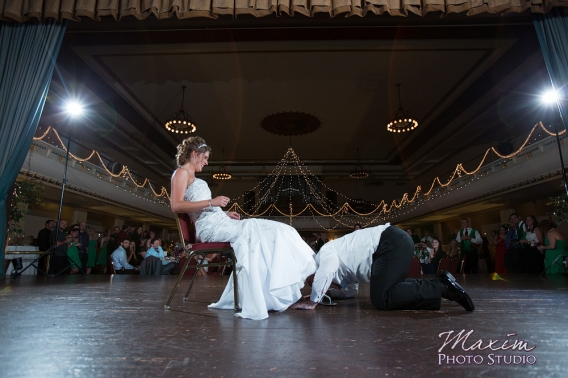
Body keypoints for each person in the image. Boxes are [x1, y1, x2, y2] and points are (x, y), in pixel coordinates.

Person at [170, 136, 316, 320]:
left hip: (217, 221)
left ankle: (277, 294)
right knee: (256, 230)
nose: (206, 162)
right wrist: (211, 202)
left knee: (277, 230)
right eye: (205, 158)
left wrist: (222, 213)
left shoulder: (191, 176)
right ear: (194, 154)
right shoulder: (181, 173)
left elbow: (201, 209)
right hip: (209, 228)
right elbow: (176, 206)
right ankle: (269, 295)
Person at [291, 224, 474, 312]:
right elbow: (350, 292)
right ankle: (438, 291)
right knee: (390, 292)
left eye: (310, 280)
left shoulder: (325, 252)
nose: (311, 282)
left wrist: (313, 300)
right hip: (395, 243)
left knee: (381, 299)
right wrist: (327, 292)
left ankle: (442, 286)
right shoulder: (340, 267)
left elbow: (325, 271)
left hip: (390, 243)